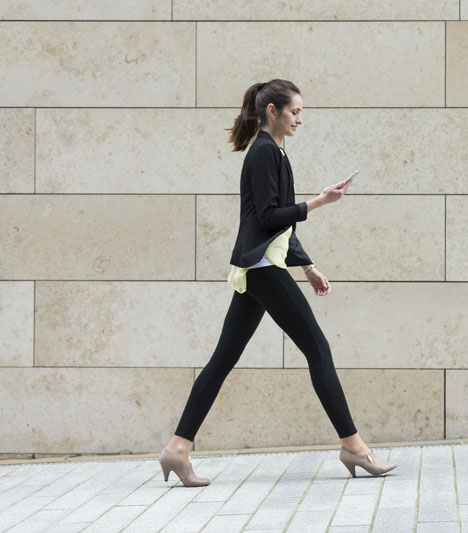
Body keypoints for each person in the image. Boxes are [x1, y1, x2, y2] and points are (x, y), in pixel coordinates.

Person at [158, 79, 397, 486]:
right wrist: (320, 202)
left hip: (258, 267)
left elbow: (275, 221)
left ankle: (177, 449)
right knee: (318, 349)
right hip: (263, 270)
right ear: (273, 111)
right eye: (295, 112)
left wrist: (307, 266)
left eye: (301, 112)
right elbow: (270, 218)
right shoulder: (266, 153)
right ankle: (354, 447)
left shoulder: (274, 152)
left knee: (222, 360)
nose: (300, 119)